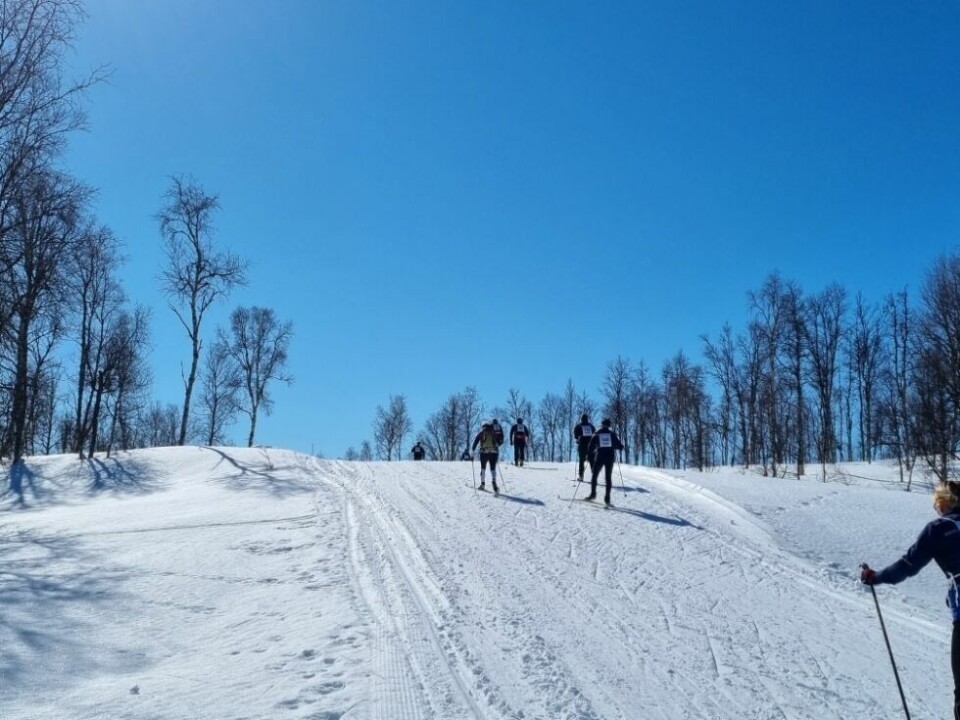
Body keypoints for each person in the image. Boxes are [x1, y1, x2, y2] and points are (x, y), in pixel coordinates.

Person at [861, 481, 960, 719]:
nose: (935, 509)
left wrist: (875, 577)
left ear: (944, 502)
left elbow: (908, 566)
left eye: (936, 503)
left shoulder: (939, 528)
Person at [586, 419, 624, 505]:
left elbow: (591, 446)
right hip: (610, 458)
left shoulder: (598, 433)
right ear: (609, 425)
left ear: (602, 424)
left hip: (600, 457)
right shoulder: (612, 434)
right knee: (608, 477)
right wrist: (614, 446)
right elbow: (621, 447)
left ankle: (593, 494)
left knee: (595, 475)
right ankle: (607, 498)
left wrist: (589, 454)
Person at [471, 422, 500, 493]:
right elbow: (498, 442)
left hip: (484, 452)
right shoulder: (493, 433)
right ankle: (494, 481)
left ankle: (482, 484)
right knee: (493, 468)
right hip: (493, 452)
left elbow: (476, 442)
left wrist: (473, 450)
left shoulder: (481, 433)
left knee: (483, 468)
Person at [573, 413, 596, 481]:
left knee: (581, 461)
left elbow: (576, 436)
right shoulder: (591, 426)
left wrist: (578, 440)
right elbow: (595, 435)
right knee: (592, 461)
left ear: (581, 419)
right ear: (587, 419)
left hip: (582, 445)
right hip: (591, 446)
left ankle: (581, 476)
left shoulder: (578, 426)